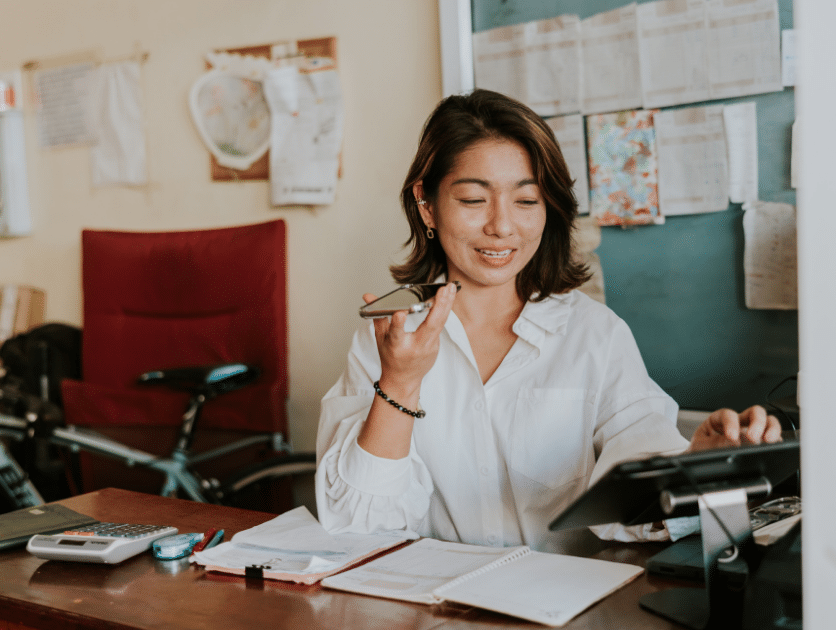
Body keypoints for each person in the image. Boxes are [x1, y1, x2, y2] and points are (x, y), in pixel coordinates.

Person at [316, 89, 782, 555]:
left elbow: (640, 474)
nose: (502, 226)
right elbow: (358, 523)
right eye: (474, 199)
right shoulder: (388, 340)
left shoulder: (595, 334)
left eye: (526, 200)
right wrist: (398, 383)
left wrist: (696, 463)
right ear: (427, 205)